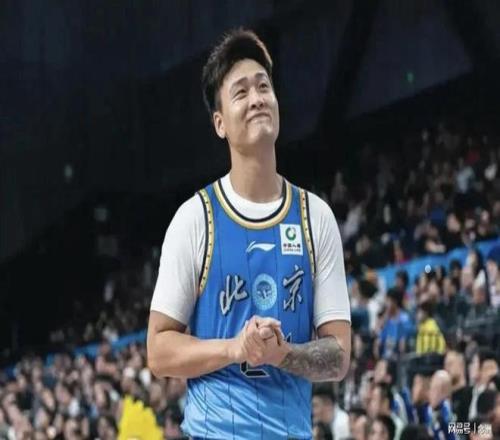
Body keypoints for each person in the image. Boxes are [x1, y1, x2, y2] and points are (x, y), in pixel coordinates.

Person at [147, 28, 351, 439]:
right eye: (241, 92)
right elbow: (159, 350)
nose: (257, 98)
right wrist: (235, 348)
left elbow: (338, 356)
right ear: (219, 123)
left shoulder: (315, 217)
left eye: (263, 86)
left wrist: (282, 354)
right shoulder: (195, 219)